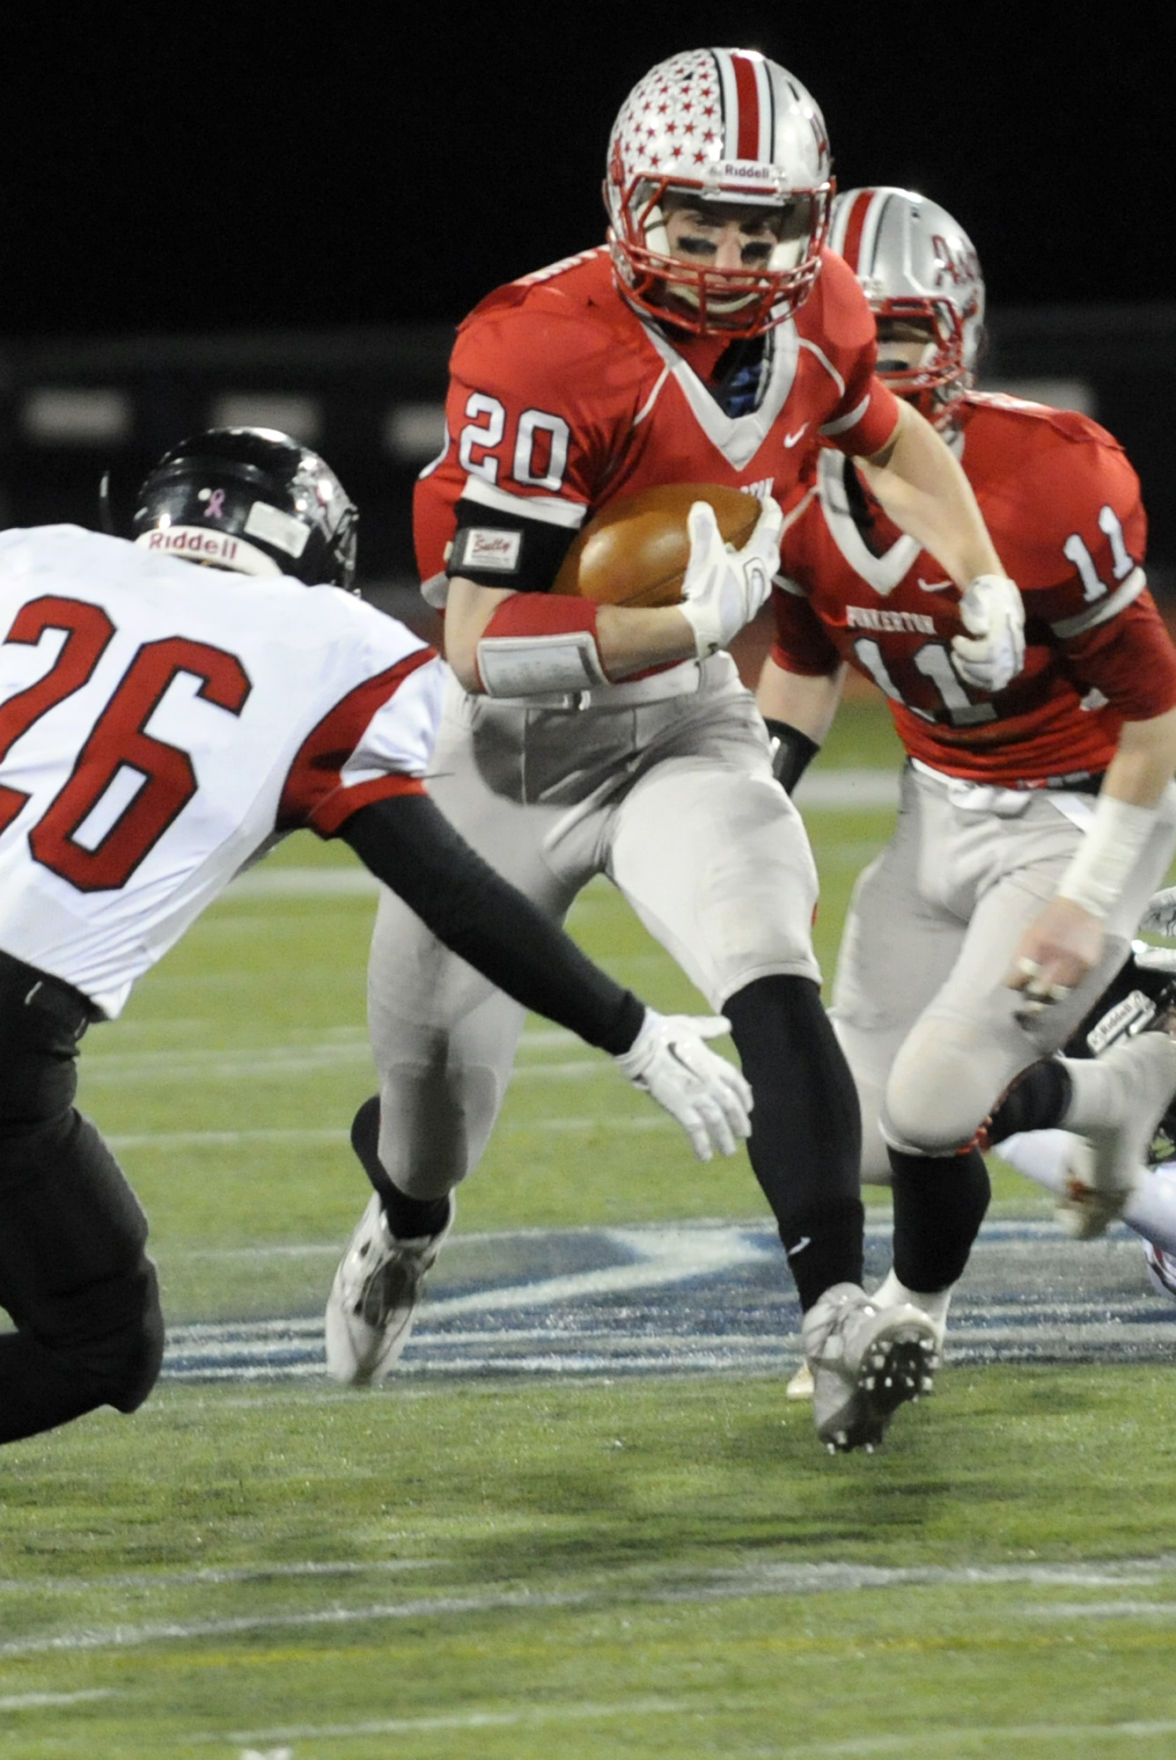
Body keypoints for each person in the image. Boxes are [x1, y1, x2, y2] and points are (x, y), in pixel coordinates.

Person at [325, 51, 1026, 1453]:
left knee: (765, 948)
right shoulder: (539, 342)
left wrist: (984, 572)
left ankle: (835, 1312)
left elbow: (888, 441)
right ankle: (405, 1224)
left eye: (762, 228)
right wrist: (661, 621)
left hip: (684, 722)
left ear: (806, 221)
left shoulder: (824, 307)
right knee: (428, 1116)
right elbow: (471, 636)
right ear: (629, 201)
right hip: (512, 744)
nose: (727, 257)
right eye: (697, 223)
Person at [0, 426, 757, 1447]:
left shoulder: (30, 557)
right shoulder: (336, 649)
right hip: (12, 1031)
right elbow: (448, 887)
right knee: (100, 1343)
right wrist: (629, 1031)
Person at [757, 186, 1176, 1381]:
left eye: (901, 334)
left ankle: (913, 1306)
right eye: (850, 336)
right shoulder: (784, 479)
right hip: (932, 804)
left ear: (960, 333)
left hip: (1082, 808)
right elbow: (799, 669)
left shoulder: (1050, 477)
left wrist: (1086, 900)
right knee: (849, 1130)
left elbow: (1156, 720)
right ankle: (1121, 1071)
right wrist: (742, 815)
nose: (873, 365)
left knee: (938, 1104)